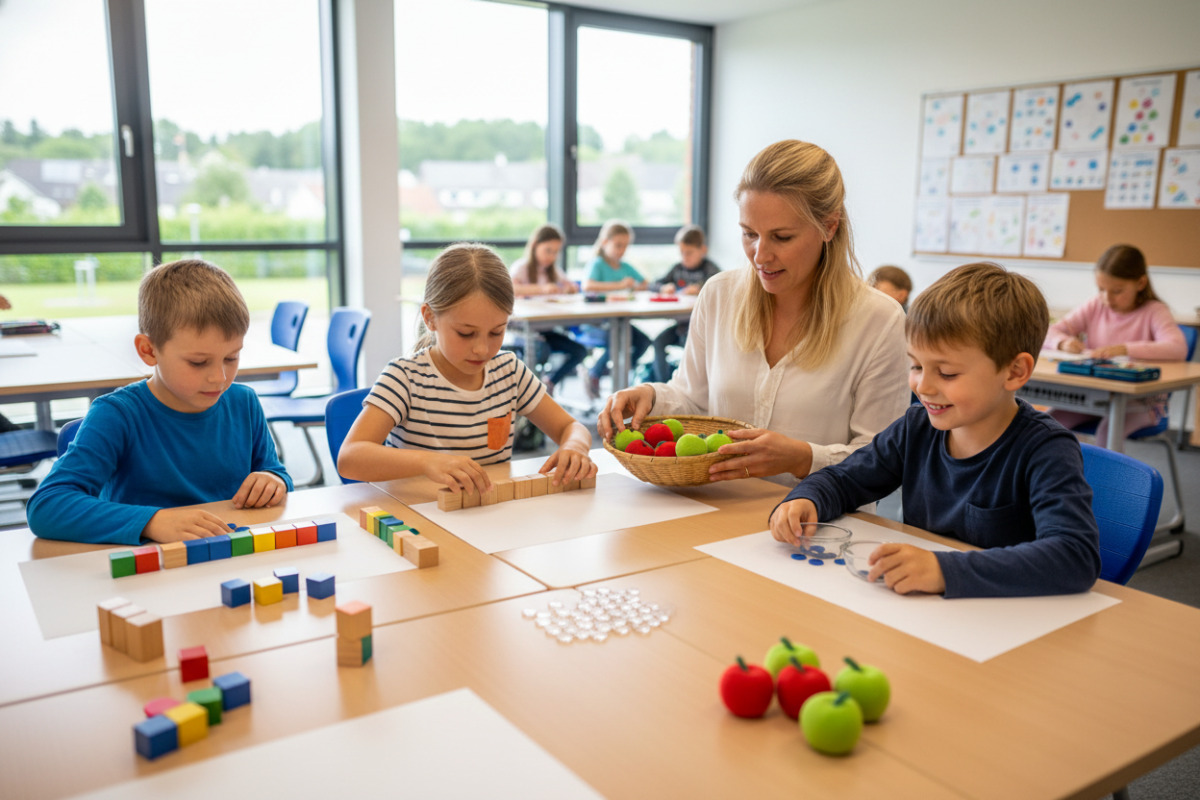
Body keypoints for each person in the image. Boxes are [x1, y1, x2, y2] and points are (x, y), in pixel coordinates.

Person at [771, 262, 1102, 598]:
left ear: (1015, 371)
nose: (923, 387)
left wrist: (944, 571)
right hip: (924, 609)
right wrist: (807, 498)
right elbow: (844, 480)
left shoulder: (1046, 449)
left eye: (946, 373)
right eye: (916, 366)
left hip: (1007, 618)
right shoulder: (916, 428)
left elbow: (1074, 556)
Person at [598, 140, 910, 485]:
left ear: (829, 226)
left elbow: (883, 461)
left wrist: (804, 458)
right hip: (718, 508)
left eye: (782, 237)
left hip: (820, 515)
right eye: (749, 234)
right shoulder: (718, 295)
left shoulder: (879, 320)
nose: (760, 256)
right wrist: (652, 397)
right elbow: (694, 399)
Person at [27, 260, 292, 545]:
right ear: (149, 350)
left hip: (229, 551)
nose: (219, 377)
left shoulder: (244, 402)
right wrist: (151, 522)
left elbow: (275, 473)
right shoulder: (117, 415)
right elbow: (47, 505)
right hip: (151, 561)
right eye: (198, 362)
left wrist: (272, 481)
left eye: (231, 357)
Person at [337, 243, 596, 492]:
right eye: (465, 333)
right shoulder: (405, 378)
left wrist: (574, 446)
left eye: (496, 332)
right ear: (430, 318)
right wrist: (426, 462)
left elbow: (572, 427)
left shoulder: (509, 372)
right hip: (420, 510)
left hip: (487, 512)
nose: (482, 349)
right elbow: (350, 457)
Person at [1044, 244, 1187, 442]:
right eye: (1101, 289)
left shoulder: (1155, 311)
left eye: (1117, 291)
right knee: (1048, 424)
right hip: (1095, 394)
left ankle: (1099, 465)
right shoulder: (1096, 305)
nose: (1107, 298)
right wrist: (1062, 342)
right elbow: (1049, 331)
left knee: (1108, 431)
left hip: (1142, 403)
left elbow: (1178, 348)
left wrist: (1124, 349)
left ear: (1141, 283)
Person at [508, 224, 589, 397]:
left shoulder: (553, 271)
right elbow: (511, 289)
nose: (551, 256)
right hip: (524, 332)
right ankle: (528, 393)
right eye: (548, 250)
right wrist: (542, 289)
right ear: (535, 245)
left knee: (580, 351)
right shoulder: (521, 267)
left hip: (547, 331)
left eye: (555, 252)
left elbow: (571, 286)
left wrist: (569, 288)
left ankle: (549, 382)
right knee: (541, 350)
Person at [580, 220, 652, 397]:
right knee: (618, 339)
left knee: (643, 342)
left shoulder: (625, 267)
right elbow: (587, 285)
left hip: (620, 322)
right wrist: (620, 285)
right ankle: (595, 372)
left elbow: (644, 283)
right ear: (605, 242)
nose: (622, 250)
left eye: (626, 246)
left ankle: (617, 371)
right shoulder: (597, 264)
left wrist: (635, 287)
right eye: (618, 245)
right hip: (596, 324)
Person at [649, 224, 721, 381]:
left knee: (688, 344)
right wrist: (663, 288)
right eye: (681, 253)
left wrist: (701, 289)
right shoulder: (677, 269)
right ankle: (663, 385)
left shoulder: (710, 270)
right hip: (681, 326)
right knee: (658, 342)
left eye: (689, 253)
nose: (684, 257)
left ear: (703, 250)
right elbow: (653, 284)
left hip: (702, 329)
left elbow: (722, 289)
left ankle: (690, 384)